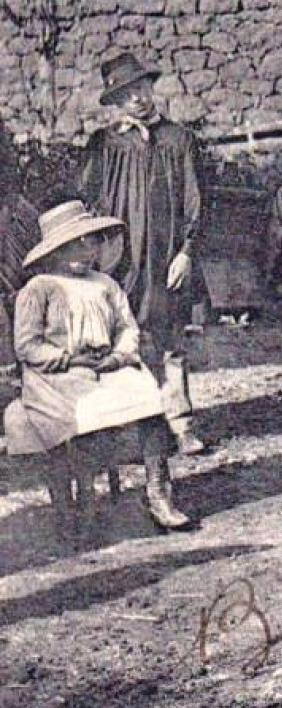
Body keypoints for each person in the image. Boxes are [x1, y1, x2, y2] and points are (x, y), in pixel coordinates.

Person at [3, 200, 194, 535]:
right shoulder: (39, 288)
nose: (85, 250)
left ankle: (157, 490)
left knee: (148, 396)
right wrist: (68, 360)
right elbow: (28, 345)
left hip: (106, 366)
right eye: (73, 245)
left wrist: (118, 356)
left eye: (89, 242)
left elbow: (127, 328)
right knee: (81, 412)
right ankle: (78, 503)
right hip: (57, 375)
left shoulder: (105, 284)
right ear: (55, 251)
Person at [80, 53, 207, 455]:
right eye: (125, 94)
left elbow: (196, 202)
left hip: (166, 256)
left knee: (171, 342)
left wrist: (186, 252)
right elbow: (86, 199)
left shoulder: (178, 140)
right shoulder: (105, 146)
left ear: (152, 87)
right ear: (115, 101)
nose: (137, 99)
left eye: (140, 88)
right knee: (124, 344)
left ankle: (181, 424)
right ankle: (136, 433)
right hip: (122, 260)